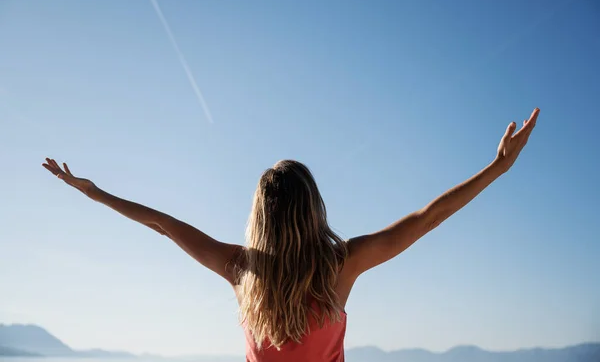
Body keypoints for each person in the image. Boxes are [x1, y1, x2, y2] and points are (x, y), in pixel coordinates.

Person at [42, 108, 540, 362]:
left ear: (260, 215)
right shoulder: (340, 265)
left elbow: (162, 223)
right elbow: (427, 218)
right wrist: (496, 168)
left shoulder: (240, 269)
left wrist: (96, 193)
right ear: (314, 208)